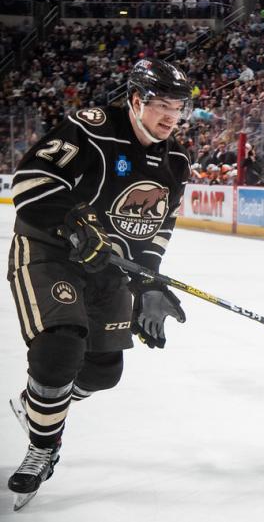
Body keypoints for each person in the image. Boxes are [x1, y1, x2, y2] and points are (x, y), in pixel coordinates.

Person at [6, 58, 193, 509]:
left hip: (107, 268)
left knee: (102, 372)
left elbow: (157, 227)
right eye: (161, 105)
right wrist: (75, 224)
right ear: (135, 100)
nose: (171, 116)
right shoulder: (90, 128)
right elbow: (29, 184)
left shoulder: (177, 162)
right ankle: (42, 448)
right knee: (61, 345)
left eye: (179, 108)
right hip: (50, 253)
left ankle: (37, 404)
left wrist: (149, 282)